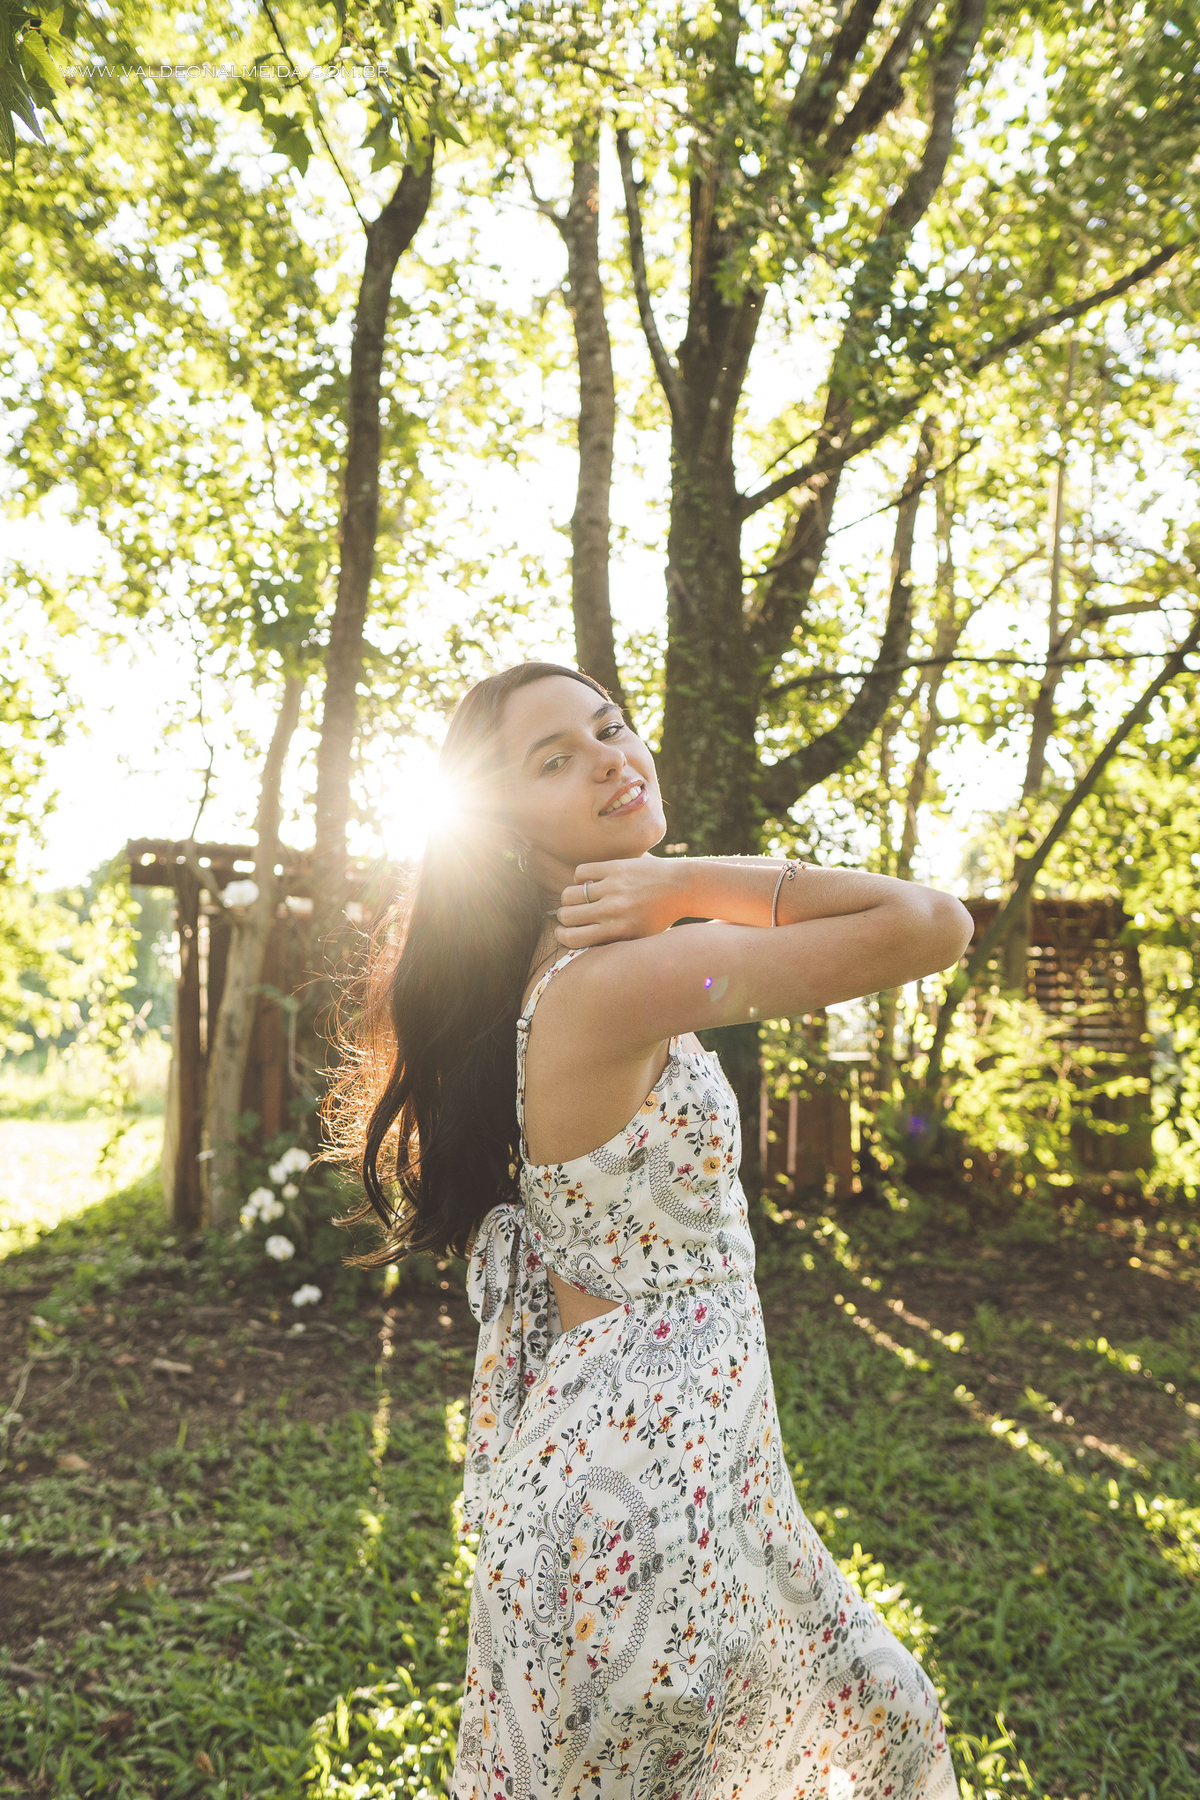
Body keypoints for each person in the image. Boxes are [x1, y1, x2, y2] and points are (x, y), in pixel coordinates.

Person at [329, 661, 971, 1799]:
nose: (612, 758)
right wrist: (686, 881)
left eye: (610, 726)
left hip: (618, 1493)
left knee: (861, 1724)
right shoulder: (621, 978)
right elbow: (930, 923)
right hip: (646, 1514)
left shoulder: (552, 978)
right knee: (879, 1731)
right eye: (554, 760)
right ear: (510, 830)